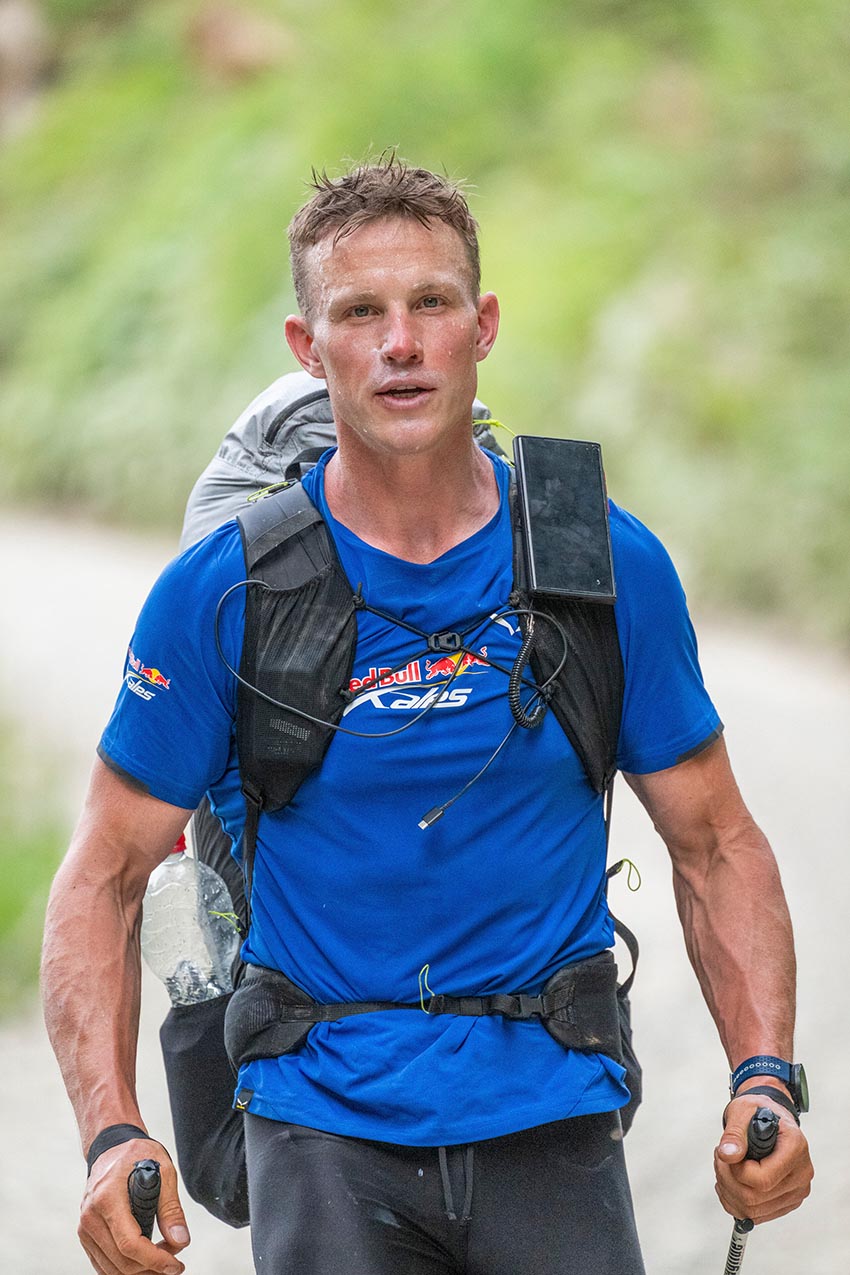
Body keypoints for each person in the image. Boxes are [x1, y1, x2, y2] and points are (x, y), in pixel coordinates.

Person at [42, 156, 812, 1275]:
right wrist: (112, 1138)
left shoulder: (600, 566)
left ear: (482, 325)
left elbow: (716, 842)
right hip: (319, 1129)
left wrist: (762, 1076)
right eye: (360, 312)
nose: (399, 344)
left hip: (552, 1115)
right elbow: (102, 875)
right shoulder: (224, 592)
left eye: (431, 304)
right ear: (309, 349)